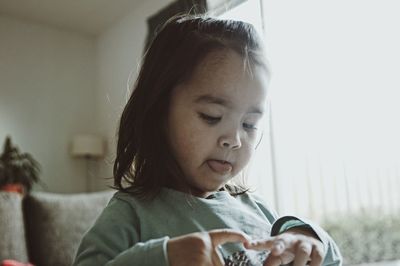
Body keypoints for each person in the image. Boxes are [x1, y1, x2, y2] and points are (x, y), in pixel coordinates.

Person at [73, 15, 342, 266]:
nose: (234, 140)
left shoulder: (257, 208)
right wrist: (166, 257)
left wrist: (308, 237)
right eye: (211, 116)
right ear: (159, 113)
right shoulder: (131, 213)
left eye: (249, 124)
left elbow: (331, 259)